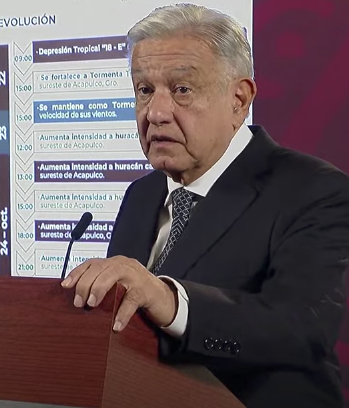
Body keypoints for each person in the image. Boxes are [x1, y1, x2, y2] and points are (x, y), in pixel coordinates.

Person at [61, 3, 349, 408]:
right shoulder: (141, 195)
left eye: (182, 89)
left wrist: (170, 301)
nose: (156, 113)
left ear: (239, 99)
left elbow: (302, 327)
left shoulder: (313, 189)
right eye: (144, 90)